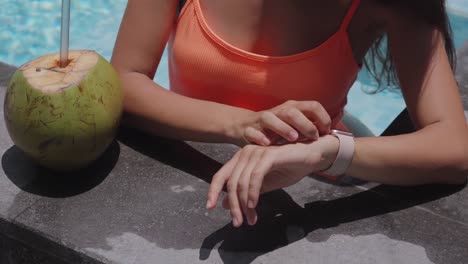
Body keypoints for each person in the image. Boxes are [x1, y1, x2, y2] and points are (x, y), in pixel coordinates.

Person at [111, 0, 468, 227]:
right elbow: (123, 83)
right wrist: (245, 124)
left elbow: (454, 148)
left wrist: (325, 152)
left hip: (312, 180)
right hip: (190, 172)